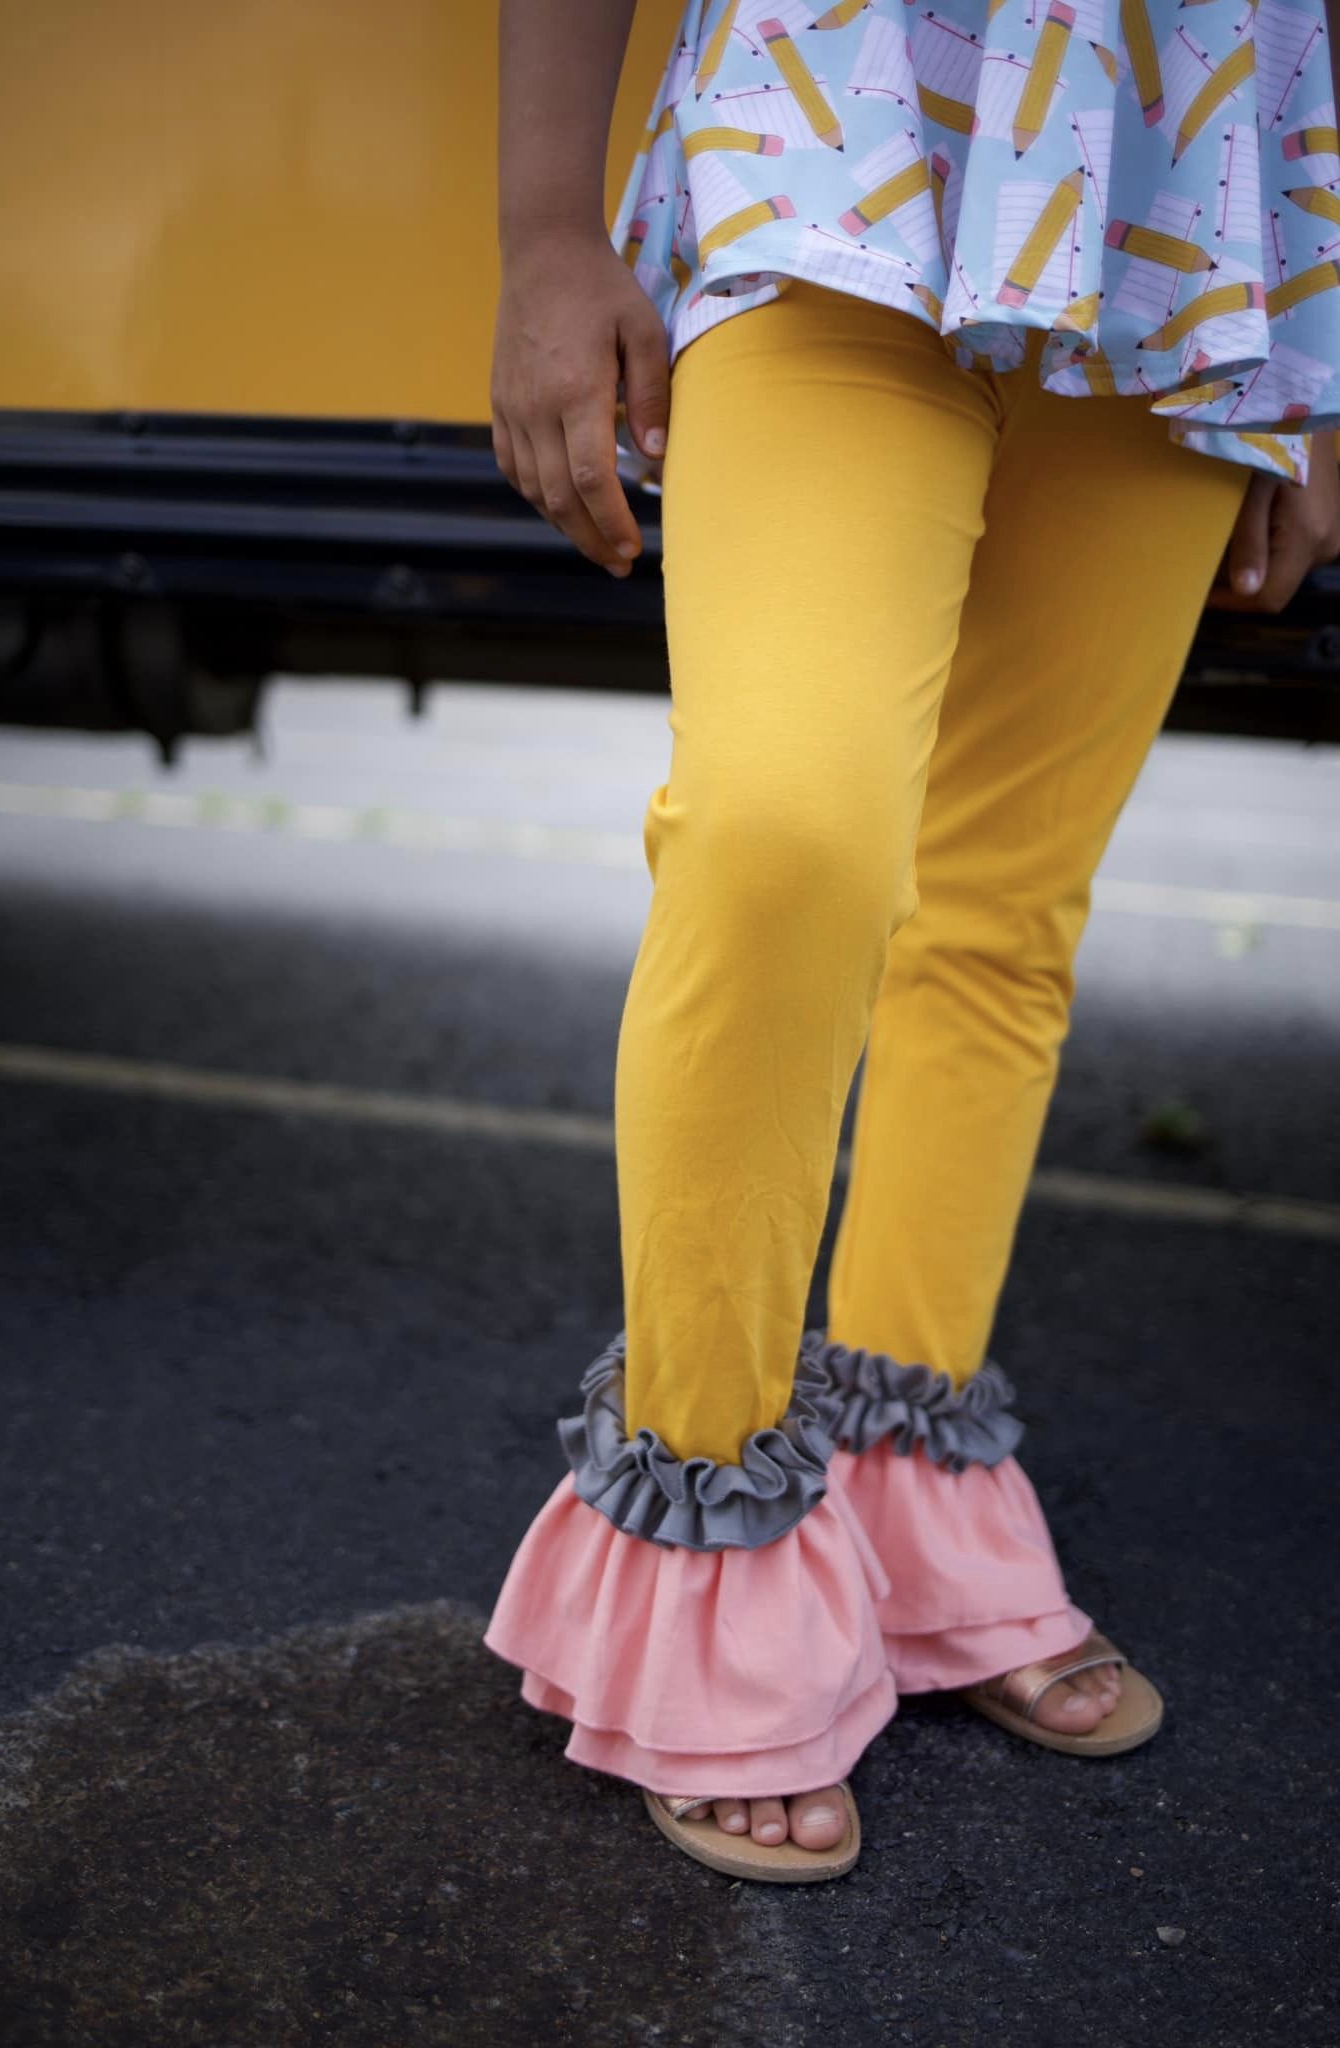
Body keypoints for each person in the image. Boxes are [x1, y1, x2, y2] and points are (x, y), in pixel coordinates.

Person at [482, 0, 1340, 1882]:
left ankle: (911, 1479)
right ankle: (700, 1520)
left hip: (1183, 224)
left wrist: (1312, 358)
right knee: (784, 837)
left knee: (1003, 906)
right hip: (834, 160)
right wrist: (546, 231)